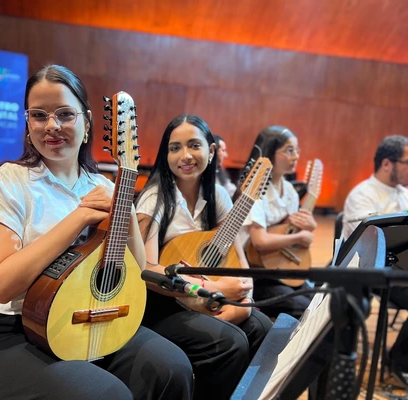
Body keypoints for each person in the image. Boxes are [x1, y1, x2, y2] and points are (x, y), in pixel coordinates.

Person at [0, 65, 193, 400]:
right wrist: (78, 218)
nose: (52, 125)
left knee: (171, 368)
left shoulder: (104, 186)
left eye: (65, 114)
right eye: (39, 115)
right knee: (104, 394)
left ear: (87, 123)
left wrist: (127, 212)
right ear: (28, 123)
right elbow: (1, 287)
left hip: (81, 320)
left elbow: (135, 274)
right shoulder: (7, 181)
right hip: (4, 333)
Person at [136, 114, 272, 400]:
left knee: (263, 328)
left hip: (208, 298)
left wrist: (245, 303)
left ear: (211, 151)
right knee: (230, 342)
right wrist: (215, 288)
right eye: (175, 148)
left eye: (194, 145)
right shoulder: (154, 198)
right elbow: (147, 270)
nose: (185, 155)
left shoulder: (218, 195)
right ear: (165, 154)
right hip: (163, 304)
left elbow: (238, 262)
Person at [343, 135, 408, 390]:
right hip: (374, 271)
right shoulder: (362, 195)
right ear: (387, 164)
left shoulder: (407, 196)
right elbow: (368, 246)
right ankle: (400, 364)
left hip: (404, 267)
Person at [239, 125, 317, 319]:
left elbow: (288, 231)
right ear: (269, 152)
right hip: (255, 274)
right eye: (289, 150)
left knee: (320, 301)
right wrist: (299, 237)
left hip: (280, 268)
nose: (296, 156)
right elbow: (260, 241)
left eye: (297, 150)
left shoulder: (290, 190)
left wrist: (309, 227)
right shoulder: (254, 189)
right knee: (304, 308)